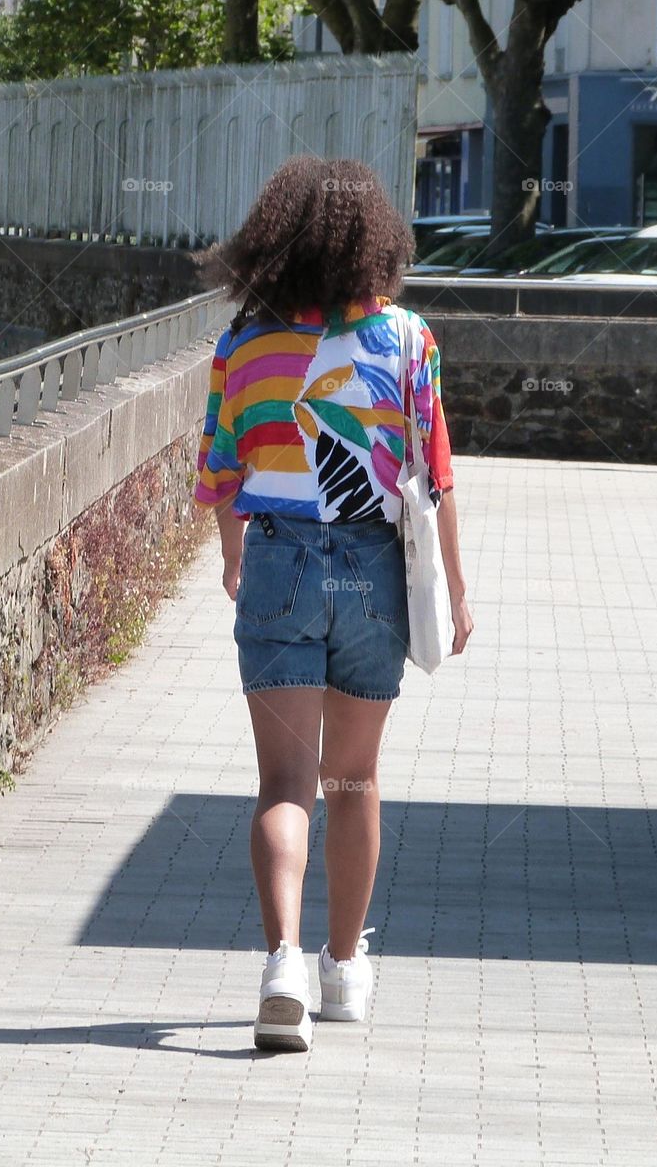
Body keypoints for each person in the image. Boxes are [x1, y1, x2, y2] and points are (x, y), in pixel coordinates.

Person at [190, 154, 473, 1052]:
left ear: (274, 239)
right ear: (374, 239)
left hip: (279, 557)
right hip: (371, 570)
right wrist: (458, 592)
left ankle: (282, 964)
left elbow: (221, 476)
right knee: (352, 780)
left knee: (283, 783)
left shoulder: (243, 344)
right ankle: (343, 968)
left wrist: (239, 563)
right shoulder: (408, 340)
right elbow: (436, 479)